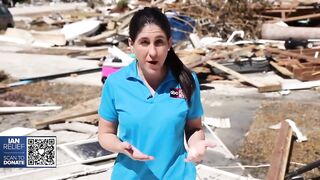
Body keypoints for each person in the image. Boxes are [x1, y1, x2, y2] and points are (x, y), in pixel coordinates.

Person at [98, 7, 214, 179]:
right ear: (131, 44)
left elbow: (194, 128)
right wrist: (121, 147)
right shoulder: (116, 84)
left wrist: (196, 146)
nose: (152, 52)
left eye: (159, 42)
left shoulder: (187, 81)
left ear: (169, 43)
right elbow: (105, 134)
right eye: (144, 42)